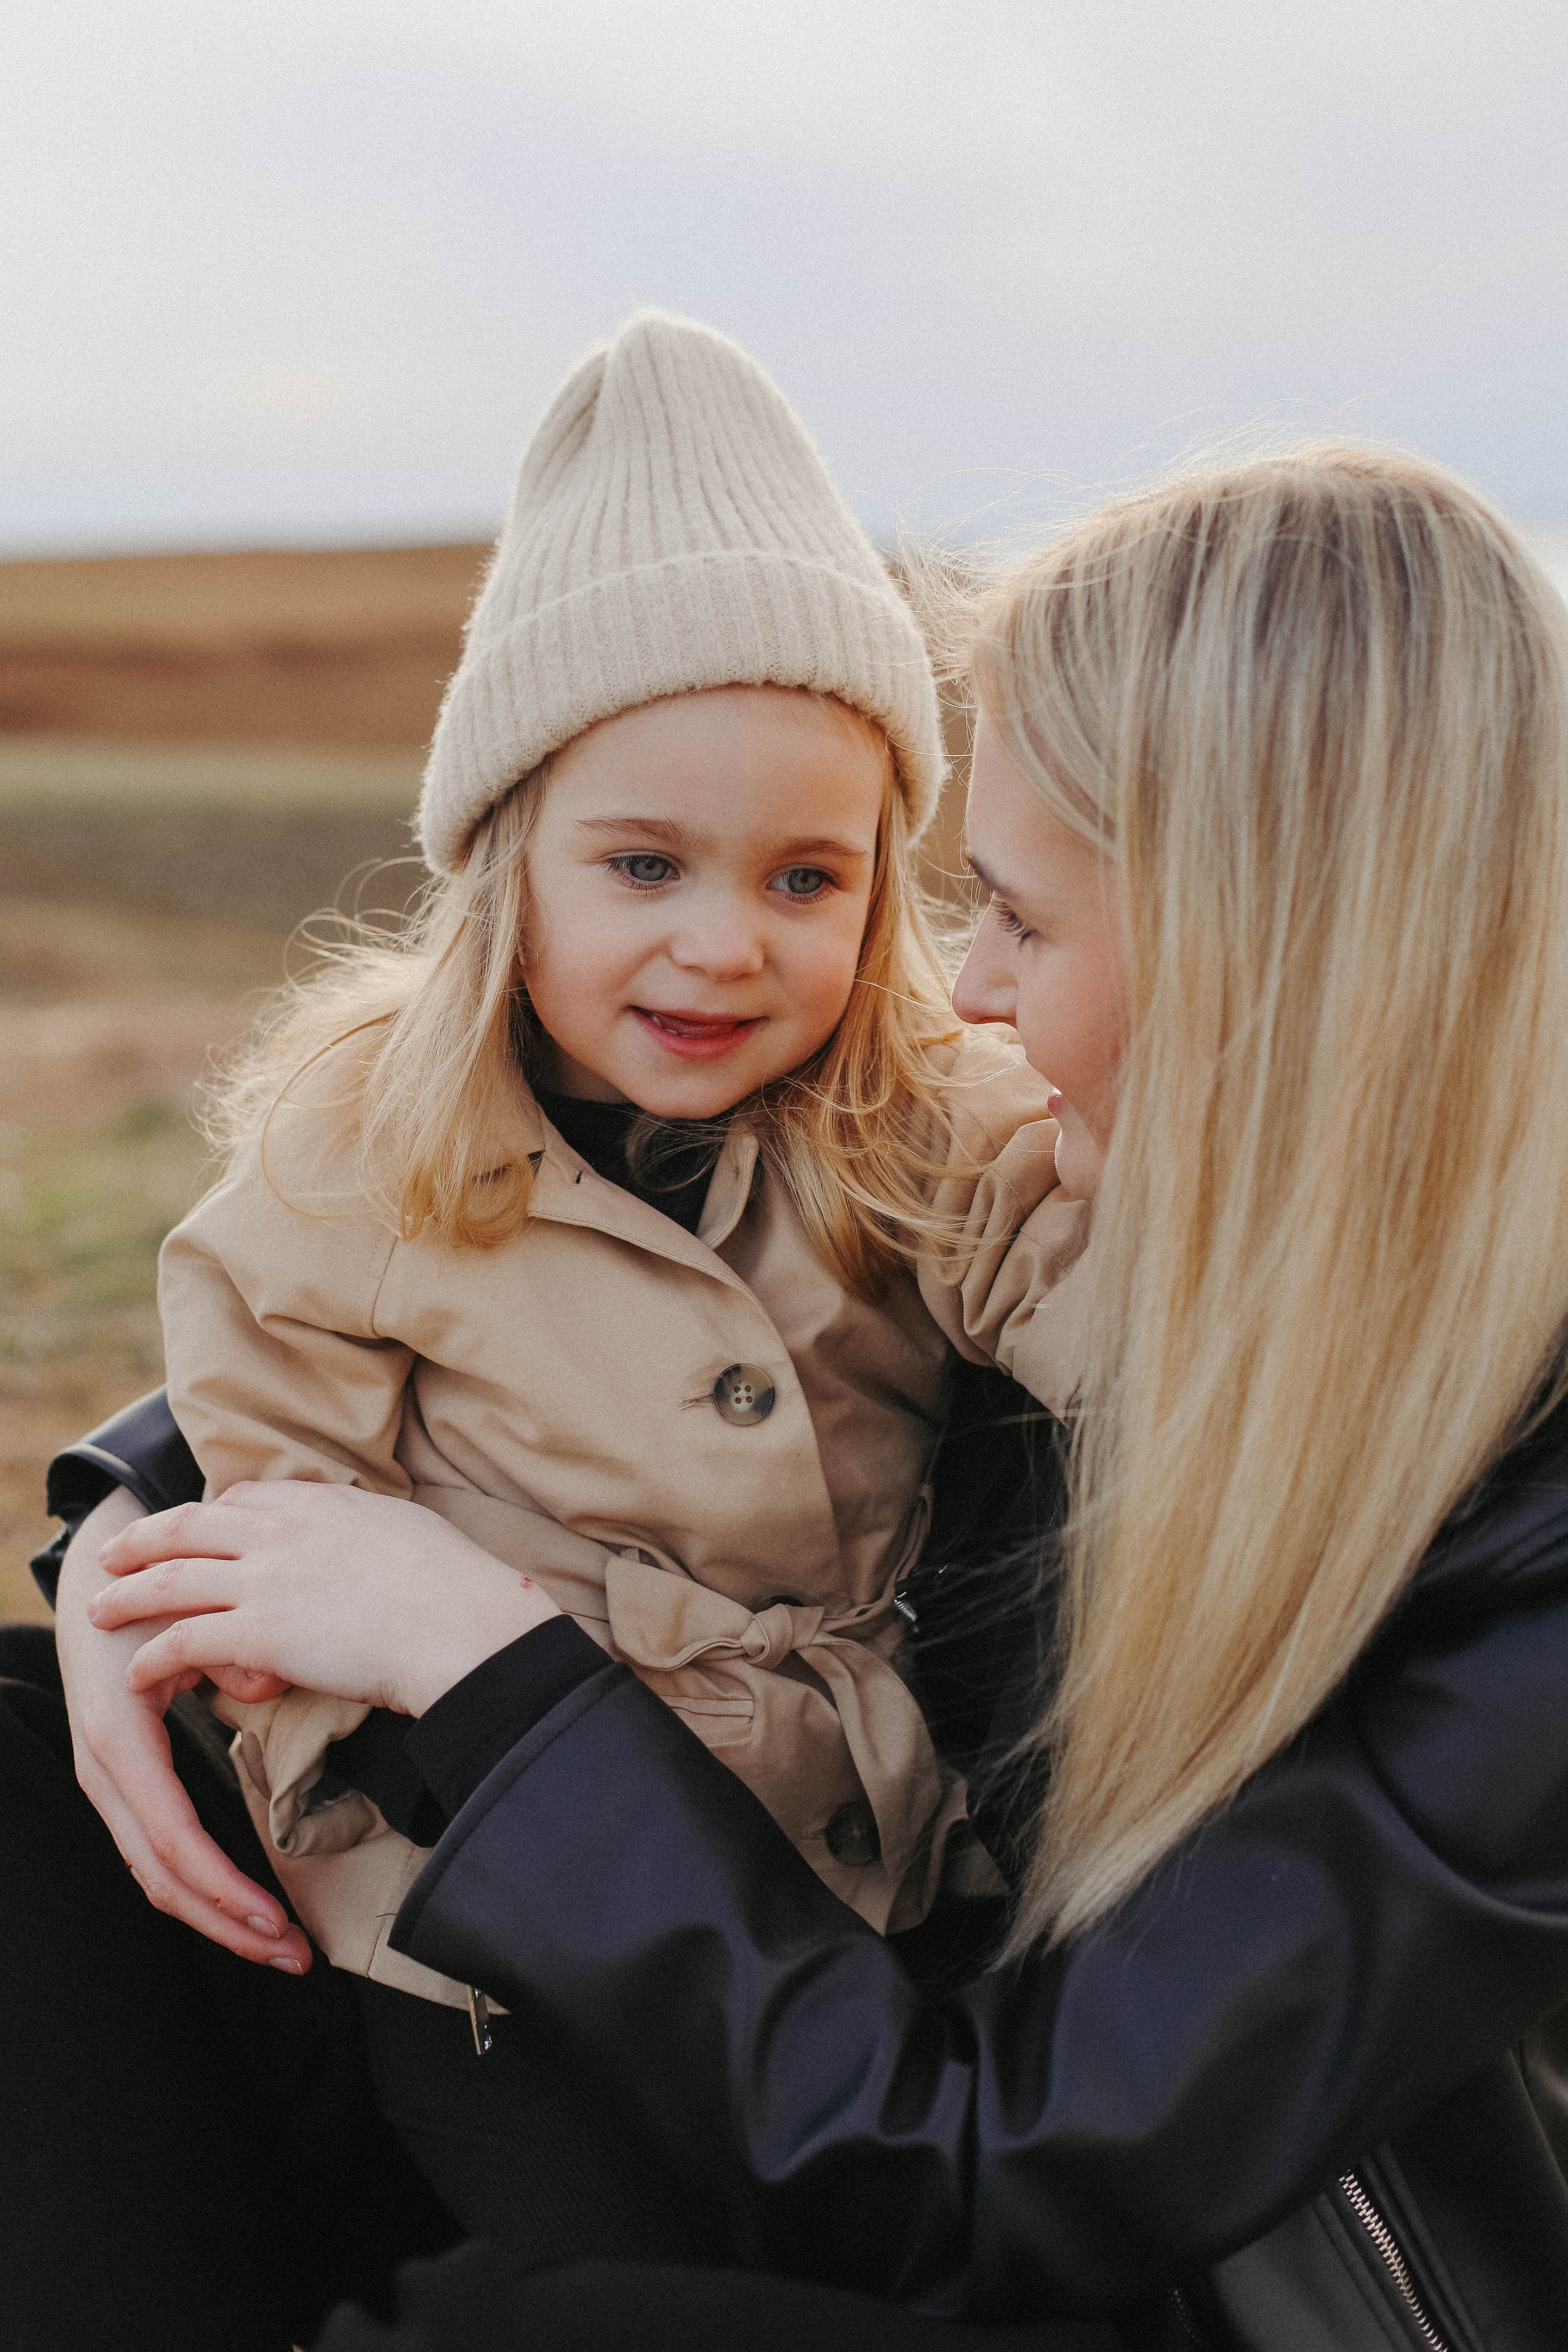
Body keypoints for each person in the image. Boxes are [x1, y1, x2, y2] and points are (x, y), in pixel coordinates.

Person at [64, 443, 1568, 2351]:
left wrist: (494, 1667)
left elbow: (994, 2177)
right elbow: (535, 1314)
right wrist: (151, 1523)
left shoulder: (1506, 1536)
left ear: (1256, 957)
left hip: (1070, 2226)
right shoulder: (1148, 1204)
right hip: (747, 1996)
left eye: (1010, 915)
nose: (965, 992)